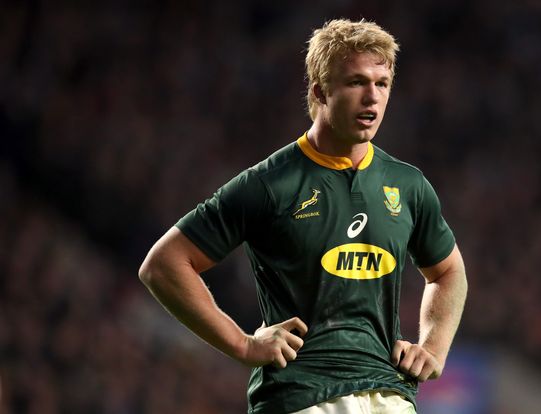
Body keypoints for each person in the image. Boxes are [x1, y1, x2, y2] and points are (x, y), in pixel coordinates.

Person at [139, 18, 467, 414]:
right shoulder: (270, 184)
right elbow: (163, 264)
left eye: (382, 84)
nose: (372, 97)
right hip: (303, 396)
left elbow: (449, 272)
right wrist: (243, 343)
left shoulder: (408, 184)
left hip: (389, 394)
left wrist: (433, 347)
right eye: (356, 82)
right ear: (320, 91)